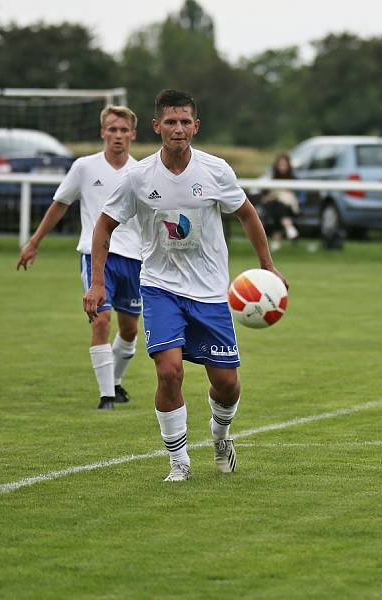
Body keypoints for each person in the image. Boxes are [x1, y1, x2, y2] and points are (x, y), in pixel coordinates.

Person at [84, 89, 286, 482]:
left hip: (210, 292)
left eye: (185, 122)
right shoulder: (138, 177)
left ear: (196, 126)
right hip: (160, 287)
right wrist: (96, 284)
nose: (178, 129)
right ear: (158, 126)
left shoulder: (216, 170)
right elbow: (104, 225)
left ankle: (220, 434)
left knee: (226, 385)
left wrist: (268, 267)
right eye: (170, 122)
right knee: (169, 372)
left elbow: (247, 215)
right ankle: (178, 460)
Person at [17, 105, 142, 410]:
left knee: (130, 330)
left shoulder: (142, 170)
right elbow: (60, 204)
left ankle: (115, 382)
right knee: (101, 321)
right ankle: (106, 396)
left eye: (123, 130)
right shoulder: (84, 167)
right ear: (102, 132)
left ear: (133, 135)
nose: (117, 135)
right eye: (112, 129)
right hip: (95, 255)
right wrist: (34, 242)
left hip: (135, 259)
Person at [261, 152, 300, 251]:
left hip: (290, 207)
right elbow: (265, 197)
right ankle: (288, 226)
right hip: (274, 206)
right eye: (281, 165)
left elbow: (297, 197)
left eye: (284, 165)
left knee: (278, 206)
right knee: (276, 206)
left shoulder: (294, 178)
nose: (282, 167)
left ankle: (277, 240)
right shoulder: (271, 178)